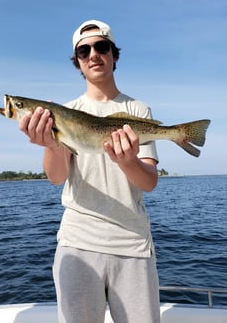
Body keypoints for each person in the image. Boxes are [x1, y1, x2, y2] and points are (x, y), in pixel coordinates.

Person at [19, 20, 160, 323]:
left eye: (102, 47)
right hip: (77, 243)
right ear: (78, 63)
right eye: (84, 50)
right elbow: (57, 178)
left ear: (114, 55)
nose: (93, 54)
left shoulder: (139, 111)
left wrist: (126, 161)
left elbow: (148, 182)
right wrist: (52, 144)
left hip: (132, 244)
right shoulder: (62, 112)